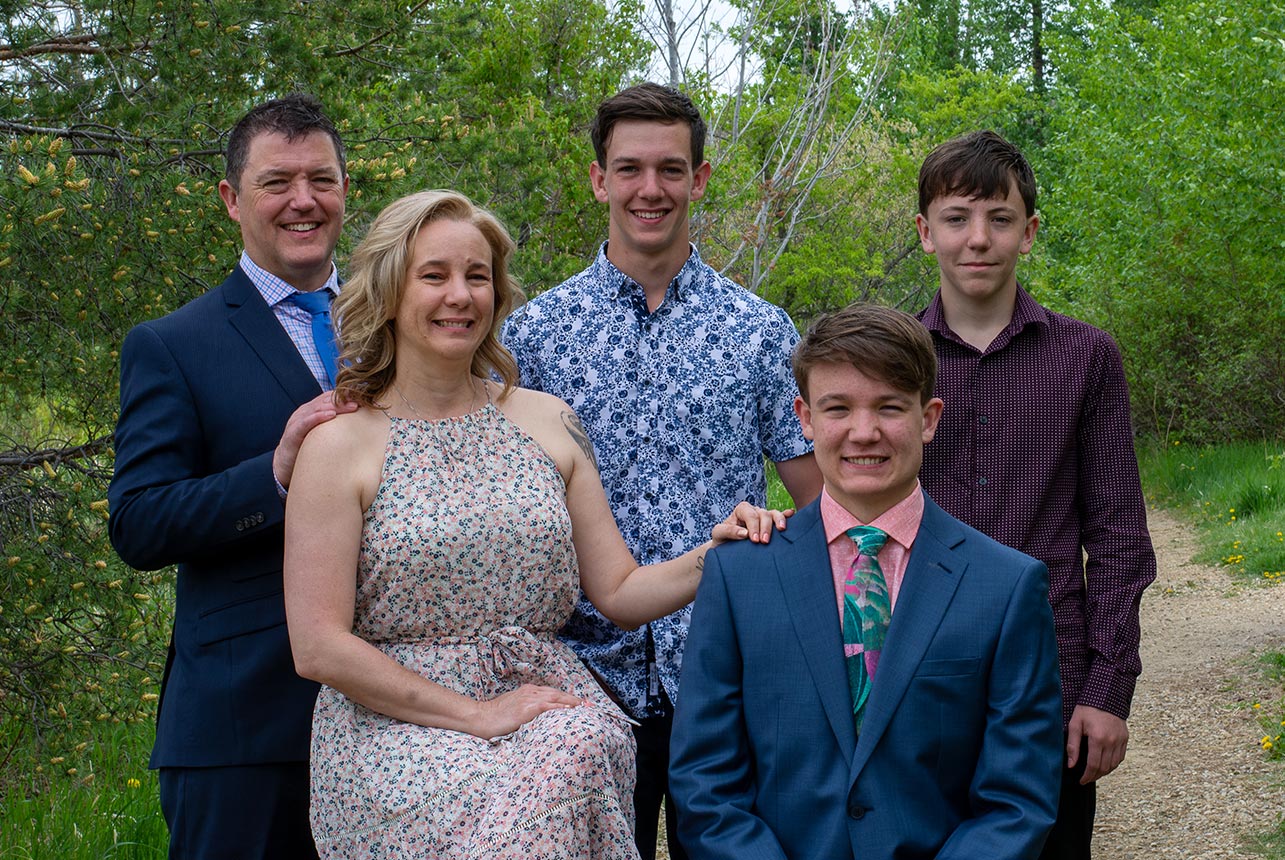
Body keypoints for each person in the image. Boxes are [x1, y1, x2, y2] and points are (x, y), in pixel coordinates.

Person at [282, 189, 783, 859]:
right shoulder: (340, 443)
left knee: (580, 744)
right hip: (396, 735)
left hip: (542, 708)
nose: (459, 295)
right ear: (391, 290)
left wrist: (713, 553)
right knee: (565, 760)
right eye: (434, 275)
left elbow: (619, 591)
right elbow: (318, 645)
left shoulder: (545, 420)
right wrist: (477, 717)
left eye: (477, 275)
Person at [501, 81, 822, 859]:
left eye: (671, 169)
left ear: (700, 179)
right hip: (578, 679)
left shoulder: (757, 332)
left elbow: (820, 499)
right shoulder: (533, 336)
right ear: (598, 179)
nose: (651, 189)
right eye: (630, 169)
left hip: (726, 663)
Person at [669, 302, 1064, 859]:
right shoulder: (739, 575)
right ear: (805, 419)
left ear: (928, 419)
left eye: (889, 407)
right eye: (838, 408)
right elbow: (705, 782)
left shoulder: (1005, 587)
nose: (864, 432)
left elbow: (1017, 800)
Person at [107, 94, 355, 859]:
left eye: (322, 179)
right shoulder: (172, 345)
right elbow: (139, 522)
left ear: (346, 189)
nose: (303, 201)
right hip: (242, 731)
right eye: (277, 182)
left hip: (404, 721)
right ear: (231, 199)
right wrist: (274, 475)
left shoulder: (402, 326)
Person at [913, 130, 1157, 858]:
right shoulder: (890, 359)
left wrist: (1107, 689)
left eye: (999, 218)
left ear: (1029, 232)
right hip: (911, 672)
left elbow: (1116, 536)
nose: (977, 239)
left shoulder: (1085, 357)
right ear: (925, 233)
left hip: (1047, 681)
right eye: (956, 218)